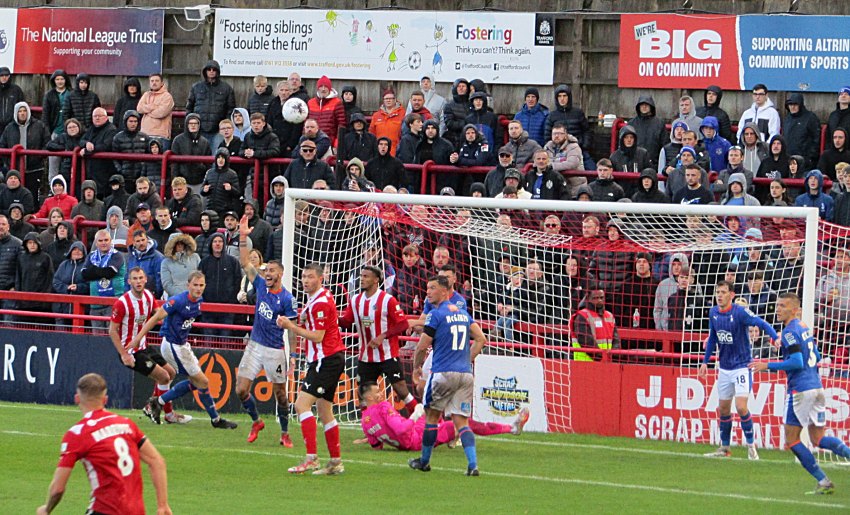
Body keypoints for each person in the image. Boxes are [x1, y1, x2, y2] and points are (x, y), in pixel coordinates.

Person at [749, 293, 850, 494]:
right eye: (777, 305)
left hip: (801, 390)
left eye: (783, 306)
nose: (778, 309)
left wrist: (766, 364)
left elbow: (797, 362)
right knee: (818, 439)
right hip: (817, 386)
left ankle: (823, 481)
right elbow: (817, 355)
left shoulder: (788, 332)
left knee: (792, 439)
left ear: (794, 309)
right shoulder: (803, 327)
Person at [36, 373, 171, 515]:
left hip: (104, 510)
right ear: (105, 399)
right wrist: (163, 505)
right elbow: (157, 461)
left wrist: (47, 509)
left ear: (77, 399)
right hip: (136, 511)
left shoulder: (77, 434)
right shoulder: (126, 424)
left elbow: (58, 488)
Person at [133, 271, 237, 429]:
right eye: (195, 285)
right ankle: (157, 403)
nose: (198, 288)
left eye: (201, 285)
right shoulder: (178, 301)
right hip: (173, 345)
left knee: (197, 383)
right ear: (188, 285)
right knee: (203, 381)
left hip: (182, 345)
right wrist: (139, 337)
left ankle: (160, 405)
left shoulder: (199, 300)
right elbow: (156, 317)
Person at [408, 275, 487, 476]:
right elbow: (481, 338)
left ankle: (424, 461)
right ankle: (473, 465)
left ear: (445, 291)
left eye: (432, 288)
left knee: (432, 417)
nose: (428, 292)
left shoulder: (436, 314)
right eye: (427, 288)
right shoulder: (462, 313)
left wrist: (416, 368)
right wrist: (467, 360)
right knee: (461, 421)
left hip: (443, 373)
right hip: (465, 374)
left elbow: (422, 346)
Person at [278, 263, 346, 475]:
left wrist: (292, 327)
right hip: (328, 358)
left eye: (310, 277)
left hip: (325, 359)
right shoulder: (318, 298)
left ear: (320, 279)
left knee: (301, 405)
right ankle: (335, 462)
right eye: (303, 277)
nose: (305, 280)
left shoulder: (321, 303)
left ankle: (311, 458)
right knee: (325, 410)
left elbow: (318, 336)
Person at [236, 215, 298, 445]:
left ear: (280, 273)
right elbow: (244, 262)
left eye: (271, 270)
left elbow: (292, 329)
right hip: (254, 345)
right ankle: (256, 421)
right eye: (266, 270)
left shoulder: (287, 299)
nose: (267, 273)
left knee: (281, 395)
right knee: (241, 390)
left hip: (275, 350)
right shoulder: (260, 284)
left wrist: (292, 355)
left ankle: (284, 432)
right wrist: (243, 236)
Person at [699, 280, 778, 460]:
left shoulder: (740, 312)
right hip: (724, 368)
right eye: (717, 292)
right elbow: (712, 338)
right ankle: (725, 448)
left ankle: (751, 446)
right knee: (723, 408)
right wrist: (705, 362)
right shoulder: (713, 313)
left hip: (742, 367)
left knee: (741, 407)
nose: (719, 295)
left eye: (723, 292)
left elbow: (762, 323)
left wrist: (775, 337)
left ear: (731, 295)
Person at [111, 267, 189, 425]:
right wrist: (124, 354)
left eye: (141, 278)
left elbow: (159, 313)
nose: (138, 282)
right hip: (131, 352)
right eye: (135, 279)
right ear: (129, 281)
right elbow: (112, 330)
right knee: (164, 377)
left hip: (144, 346)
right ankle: (168, 414)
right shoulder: (122, 303)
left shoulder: (148, 296)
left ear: (146, 279)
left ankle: (150, 406)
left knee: (171, 372)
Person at [358, 381, 528, 451]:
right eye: (377, 392)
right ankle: (511, 428)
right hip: (417, 438)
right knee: (464, 424)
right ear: (369, 398)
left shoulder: (365, 421)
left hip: (411, 437)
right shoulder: (383, 407)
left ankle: (451, 437)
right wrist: (415, 416)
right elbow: (401, 429)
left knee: (433, 407)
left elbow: (376, 446)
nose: (381, 394)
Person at [340, 266, 417, 413]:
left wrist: (382, 336)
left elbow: (403, 324)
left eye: (366, 276)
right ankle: (370, 426)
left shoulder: (388, 300)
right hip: (366, 357)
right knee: (363, 393)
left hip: (388, 354)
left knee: (401, 389)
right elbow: (347, 322)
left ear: (376, 280)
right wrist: (332, 317)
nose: (362, 279)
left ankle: (419, 420)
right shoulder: (355, 300)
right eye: (361, 276)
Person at [0, 102, 51, 199]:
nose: (22, 113)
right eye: (20, 111)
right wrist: (9, 162)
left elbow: (47, 143)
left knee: (33, 196)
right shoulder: (9, 128)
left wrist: (38, 157)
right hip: (15, 169)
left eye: (24, 111)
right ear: (16, 113)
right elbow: (2, 146)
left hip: (34, 168)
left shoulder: (39, 126)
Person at [81, 230, 126, 332]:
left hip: (113, 302)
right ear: (96, 243)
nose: (103, 243)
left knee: (113, 337)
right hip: (95, 303)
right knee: (98, 340)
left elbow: (110, 272)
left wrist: (93, 271)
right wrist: (101, 272)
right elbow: (84, 275)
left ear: (111, 241)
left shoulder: (117, 255)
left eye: (106, 240)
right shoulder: (91, 255)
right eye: (100, 241)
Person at [186, 60, 235, 148]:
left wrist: (224, 127)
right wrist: (191, 126)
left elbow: (231, 109)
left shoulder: (226, 88)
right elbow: (189, 108)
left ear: (218, 72)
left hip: (218, 131)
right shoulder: (196, 87)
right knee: (199, 158)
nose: (211, 71)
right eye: (209, 69)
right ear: (205, 71)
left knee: (216, 157)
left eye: (214, 69)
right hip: (199, 130)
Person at [569, 289, 620, 361]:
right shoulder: (582, 316)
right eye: (595, 298)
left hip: (606, 362)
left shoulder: (609, 316)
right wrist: (601, 357)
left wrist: (614, 354)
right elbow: (585, 340)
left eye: (601, 298)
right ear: (588, 299)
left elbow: (616, 338)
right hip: (585, 363)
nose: (599, 300)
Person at [80, 107, 118, 198]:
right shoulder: (92, 128)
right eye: (95, 116)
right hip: (91, 170)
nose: (97, 118)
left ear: (106, 117)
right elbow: (81, 140)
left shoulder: (111, 129)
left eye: (100, 116)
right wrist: (86, 143)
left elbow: (106, 146)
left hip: (105, 170)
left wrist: (87, 151)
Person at [170, 113, 211, 194]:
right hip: (183, 181)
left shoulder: (205, 142)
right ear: (186, 125)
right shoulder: (178, 140)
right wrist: (175, 180)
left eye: (195, 123)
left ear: (199, 125)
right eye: (190, 123)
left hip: (200, 181)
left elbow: (208, 164)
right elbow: (174, 164)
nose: (193, 125)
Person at [783, 92, 821, 170]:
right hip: (788, 160)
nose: (792, 107)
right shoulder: (787, 119)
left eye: (795, 104)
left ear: (800, 105)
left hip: (805, 161)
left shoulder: (810, 118)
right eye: (790, 105)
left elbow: (816, 139)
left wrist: (810, 157)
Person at [628, 95, 666, 169]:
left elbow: (664, 144)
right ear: (638, 107)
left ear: (651, 106)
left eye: (646, 105)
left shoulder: (659, 123)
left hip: (653, 163)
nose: (644, 107)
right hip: (634, 162)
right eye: (642, 105)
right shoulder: (631, 123)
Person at [307, 75, 346, 147]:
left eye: (326, 86)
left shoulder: (337, 103)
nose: (323, 89)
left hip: (329, 143)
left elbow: (341, 125)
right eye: (321, 86)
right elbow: (305, 124)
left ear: (330, 88)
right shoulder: (310, 102)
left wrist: (337, 143)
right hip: (311, 143)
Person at [137, 73, 174, 143]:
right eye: (152, 81)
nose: (154, 83)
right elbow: (139, 108)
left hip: (161, 135)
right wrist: (154, 106)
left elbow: (161, 113)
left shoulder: (167, 96)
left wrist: (147, 111)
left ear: (162, 83)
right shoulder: (146, 95)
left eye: (157, 81)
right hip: (145, 133)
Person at [370, 89, 405, 156]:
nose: (388, 100)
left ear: (395, 100)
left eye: (390, 98)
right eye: (386, 99)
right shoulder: (376, 115)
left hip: (396, 152)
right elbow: (372, 134)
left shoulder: (403, 114)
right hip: (379, 153)